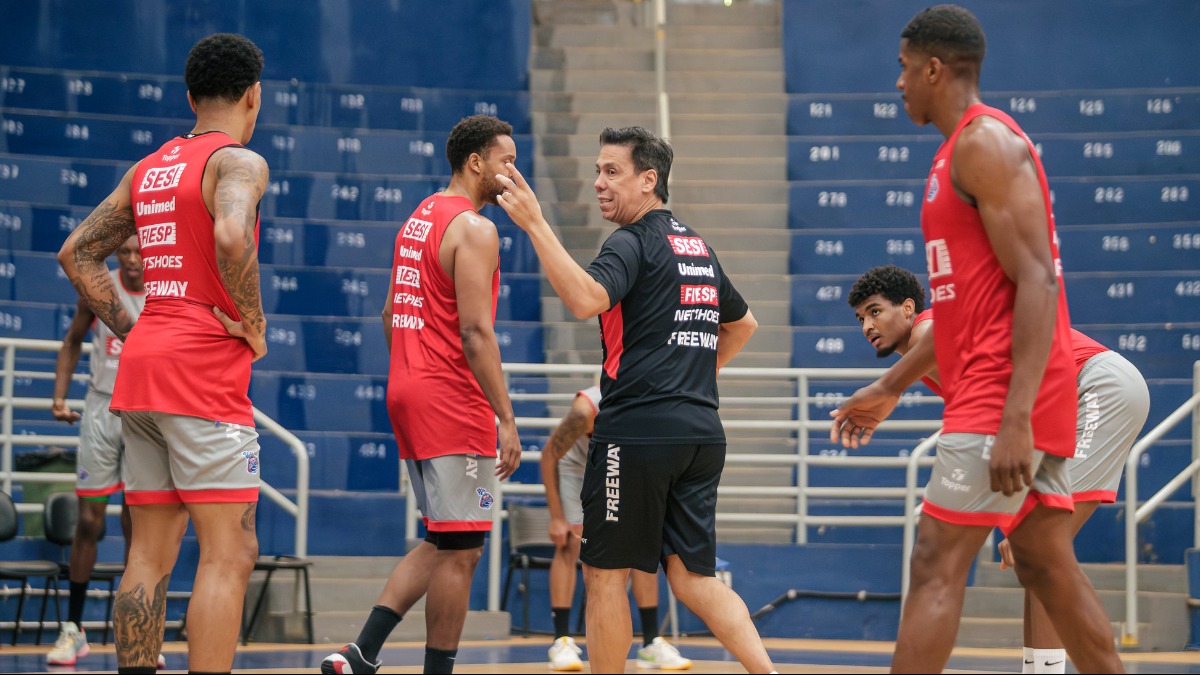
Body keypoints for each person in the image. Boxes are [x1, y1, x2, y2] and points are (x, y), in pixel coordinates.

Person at [828, 6, 1125, 672]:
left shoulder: (983, 143)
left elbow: (1040, 279)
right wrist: (887, 388)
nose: (898, 83)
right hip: (1003, 391)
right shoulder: (954, 152)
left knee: (936, 557)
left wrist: (1017, 414)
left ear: (934, 67)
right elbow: (958, 313)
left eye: (904, 69)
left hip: (1000, 394)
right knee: (1047, 567)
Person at [496, 126, 773, 674]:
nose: (598, 182)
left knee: (604, 577)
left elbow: (583, 300)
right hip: (701, 432)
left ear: (650, 180)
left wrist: (534, 224)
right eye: (597, 170)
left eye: (611, 172)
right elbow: (743, 324)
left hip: (636, 434)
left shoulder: (629, 241)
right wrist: (687, 376)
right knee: (693, 579)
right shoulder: (695, 245)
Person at [58, 33, 268, 674]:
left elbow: (75, 254)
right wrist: (252, 322)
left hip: (142, 369)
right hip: (201, 374)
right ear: (253, 96)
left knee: (147, 554)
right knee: (228, 553)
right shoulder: (238, 161)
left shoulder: (149, 167)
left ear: (189, 96)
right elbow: (232, 234)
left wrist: (131, 327)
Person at [845, 265, 1149, 674]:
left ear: (908, 308)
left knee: (1043, 548)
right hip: (1064, 403)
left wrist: (889, 386)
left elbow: (941, 334)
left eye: (874, 312)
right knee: (1037, 551)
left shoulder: (926, 329)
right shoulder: (933, 360)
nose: (867, 325)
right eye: (860, 318)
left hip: (1096, 386)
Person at [320, 115, 522, 675]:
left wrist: (414, 366)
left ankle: (361, 653)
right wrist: (505, 416)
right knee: (464, 549)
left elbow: (389, 313)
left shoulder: (419, 217)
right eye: (507, 160)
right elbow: (476, 333)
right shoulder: (476, 229)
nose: (514, 172)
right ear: (476, 162)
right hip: (452, 400)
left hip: (408, 390)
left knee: (442, 537)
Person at [46, 235, 162, 670]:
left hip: (144, 413)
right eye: (124, 253)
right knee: (89, 522)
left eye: (138, 253)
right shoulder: (98, 289)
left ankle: (138, 631)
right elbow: (73, 341)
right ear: (116, 256)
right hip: (99, 409)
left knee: (140, 525)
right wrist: (59, 397)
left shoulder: (163, 295)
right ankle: (73, 631)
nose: (131, 260)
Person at [541, 385, 692, 671]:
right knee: (569, 542)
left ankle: (650, 643)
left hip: (622, 465)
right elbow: (549, 455)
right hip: (578, 467)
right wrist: (556, 517)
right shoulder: (587, 409)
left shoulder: (655, 403)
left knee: (644, 544)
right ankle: (561, 641)